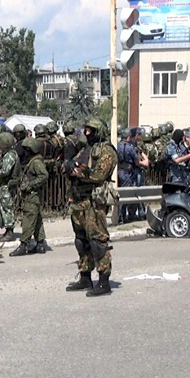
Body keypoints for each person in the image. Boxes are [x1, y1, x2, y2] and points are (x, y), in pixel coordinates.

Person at [64, 118, 118, 297]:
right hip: (79, 201)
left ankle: (104, 281)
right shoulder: (84, 149)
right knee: (81, 241)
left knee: (97, 242)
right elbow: (70, 166)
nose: (87, 133)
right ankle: (85, 276)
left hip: (94, 203)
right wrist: (69, 166)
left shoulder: (106, 150)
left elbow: (98, 176)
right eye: (85, 129)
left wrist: (77, 171)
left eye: (91, 130)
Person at [9, 137, 49, 257]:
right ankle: (40, 243)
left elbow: (44, 175)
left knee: (28, 219)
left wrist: (30, 185)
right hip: (32, 195)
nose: (24, 151)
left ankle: (23, 245)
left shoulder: (36, 162)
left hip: (32, 195)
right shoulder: (33, 160)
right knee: (37, 220)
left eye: (27, 149)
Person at [0, 132, 21, 242]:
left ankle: (10, 232)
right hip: (5, 185)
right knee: (4, 207)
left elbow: (5, 171)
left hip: (7, 185)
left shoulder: (10, 155)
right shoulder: (8, 153)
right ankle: (7, 230)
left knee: (7, 208)